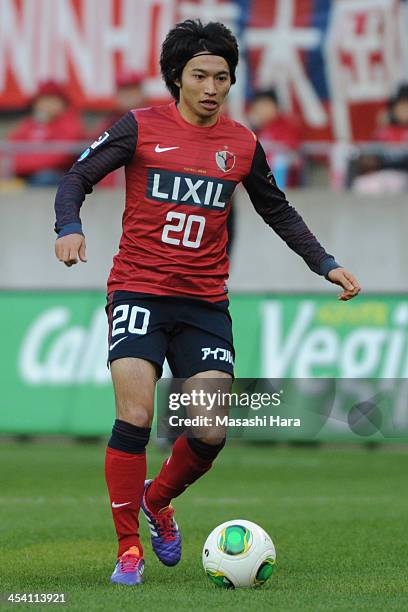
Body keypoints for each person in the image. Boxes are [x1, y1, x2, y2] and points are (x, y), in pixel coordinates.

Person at [53, 19, 360, 586]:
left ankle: (158, 499)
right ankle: (128, 551)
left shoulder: (242, 143)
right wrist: (69, 226)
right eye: (200, 75)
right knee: (137, 415)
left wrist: (325, 263)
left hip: (203, 304)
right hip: (139, 289)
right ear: (177, 78)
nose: (212, 86)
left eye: (222, 76)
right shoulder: (140, 127)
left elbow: (278, 209)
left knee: (211, 430)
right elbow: (76, 177)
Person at [7, 81, 84, 186]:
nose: (46, 104)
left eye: (51, 99)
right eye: (43, 99)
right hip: (25, 173)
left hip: (60, 177)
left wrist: (22, 165)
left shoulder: (70, 124)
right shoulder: (30, 124)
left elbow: (58, 158)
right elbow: (10, 148)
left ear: (63, 103)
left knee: (46, 177)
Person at [247, 88, 302, 188]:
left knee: (278, 159)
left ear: (275, 106)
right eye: (258, 107)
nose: (261, 111)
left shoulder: (287, 125)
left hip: (286, 176)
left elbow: (291, 151)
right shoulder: (256, 129)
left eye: (265, 106)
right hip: (262, 175)